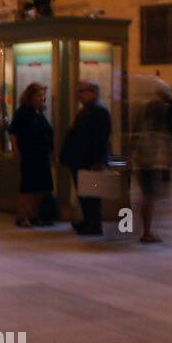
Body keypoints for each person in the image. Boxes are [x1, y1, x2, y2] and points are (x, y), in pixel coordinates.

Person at [131, 78, 172, 244]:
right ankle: (146, 232)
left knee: (147, 195)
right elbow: (168, 135)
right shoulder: (162, 109)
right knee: (149, 197)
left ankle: (145, 229)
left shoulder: (144, 108)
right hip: (151, 160)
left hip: (142, 158)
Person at [60, 80, 112, 235]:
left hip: (90, 161)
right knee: (84, 193)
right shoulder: (86, 110)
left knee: (92, 194)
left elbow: (101, 138)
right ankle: (88, 221)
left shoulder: (99, 112)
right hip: (79, 160)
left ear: (94, 93)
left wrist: (98, 160)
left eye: (83, 91)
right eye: (78, 91)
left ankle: (94, 224)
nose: (79, 95)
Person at [9, 83, 54, 228]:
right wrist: (16, 150)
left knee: (40, 186)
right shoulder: (23, 112)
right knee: (28, 186)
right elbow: (13, 132)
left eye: (43, 95)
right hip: (29, 154)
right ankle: (22, 216)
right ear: (31, 97)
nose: (42, 98)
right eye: (39, 95)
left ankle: (34, 215)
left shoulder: (39, 112)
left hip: (42, 155)